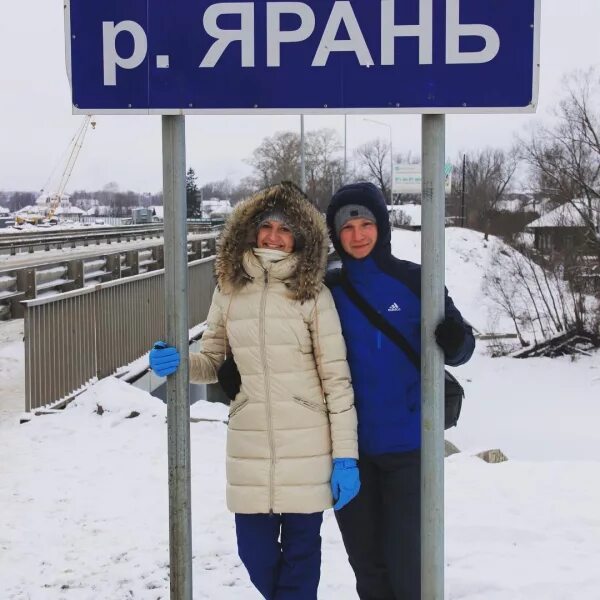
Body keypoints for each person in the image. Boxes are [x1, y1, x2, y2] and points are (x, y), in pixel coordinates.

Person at [149, 182, 360, 600]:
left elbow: (337, 380)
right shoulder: (229, 289)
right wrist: (177, 363)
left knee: (302, 561)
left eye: (285, 229)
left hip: (308, 447)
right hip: (250, 448)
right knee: (254, 554)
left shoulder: (313, 294)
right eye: (267, 226)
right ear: (252, 230)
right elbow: (211, 360)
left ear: (299, 237)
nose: (275, 236)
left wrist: (345, 458)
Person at [324, 182, 475, 600]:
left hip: (409, 448)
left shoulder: (415, 281)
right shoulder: (327, 290)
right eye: (348, 226)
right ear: (336, 234)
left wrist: (454, 337)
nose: (358, 235)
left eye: (366, 223)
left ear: (382, 226)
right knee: (367, 567)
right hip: (349, 452)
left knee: (409, 567)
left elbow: (463, 350)